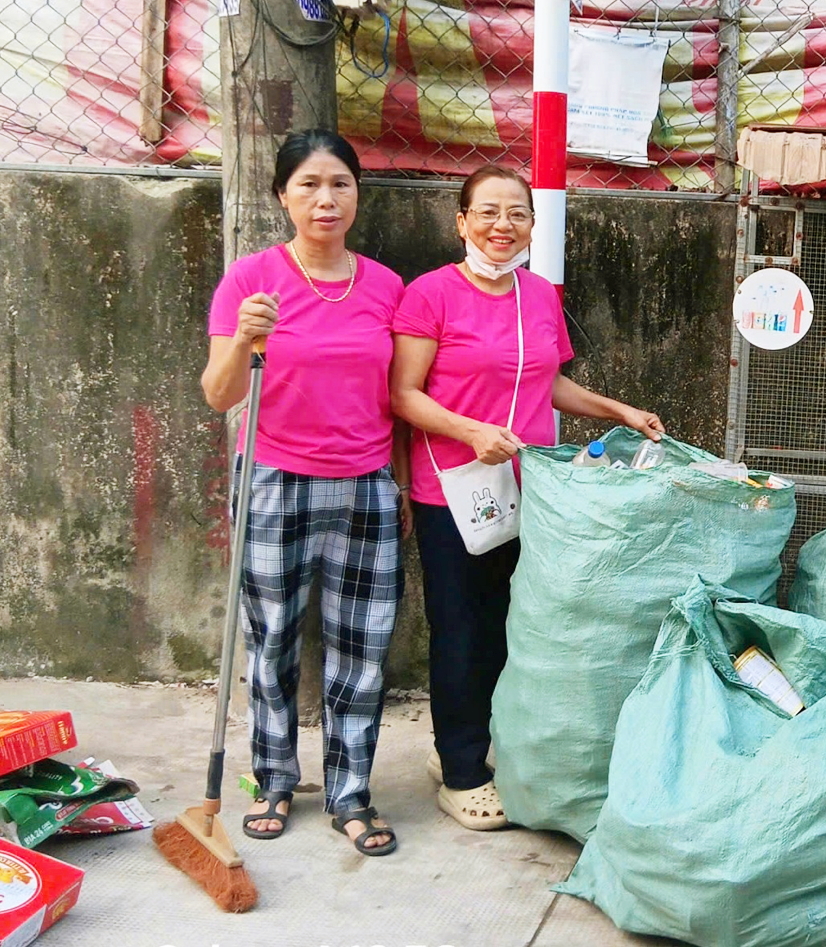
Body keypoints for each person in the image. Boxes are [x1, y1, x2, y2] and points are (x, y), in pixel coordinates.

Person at [390, 165, 664, 831]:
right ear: (460, 221)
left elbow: (549, 383)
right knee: (460, 628)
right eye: (486, 212)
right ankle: (459, 773)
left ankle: (469, 746)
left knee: (511, 627)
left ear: (531, 226)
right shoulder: (430, 295)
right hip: (452, 490)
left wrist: (617, 410)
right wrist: (468, 431)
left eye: (516, 213)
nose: (501, 225)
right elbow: (403, 393)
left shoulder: (537, 295)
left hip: (529, 488)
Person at [201, 129, 410, 856]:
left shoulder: (387, 287)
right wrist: (241, 340)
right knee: (272, 643)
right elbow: (217, 393)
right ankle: (274, 777)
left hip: (365, 483)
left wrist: (402, 485)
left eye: (340, 183)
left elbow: (402, 394)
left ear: (357, 192)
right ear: (282, 196)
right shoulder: (251, 280)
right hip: (273, 478)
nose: (326, 198)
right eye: (309, 185)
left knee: (362, 648)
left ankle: (351, 791)